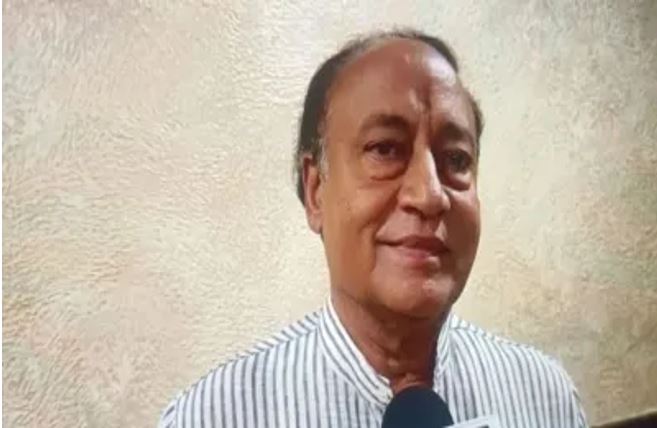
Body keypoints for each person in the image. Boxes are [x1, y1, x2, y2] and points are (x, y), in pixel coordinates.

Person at [158, 28, 588, 428]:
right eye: (385, 149)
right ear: (316, 190)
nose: (429, 194)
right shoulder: (214, 416)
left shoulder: (544, 397)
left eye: (456, 159)